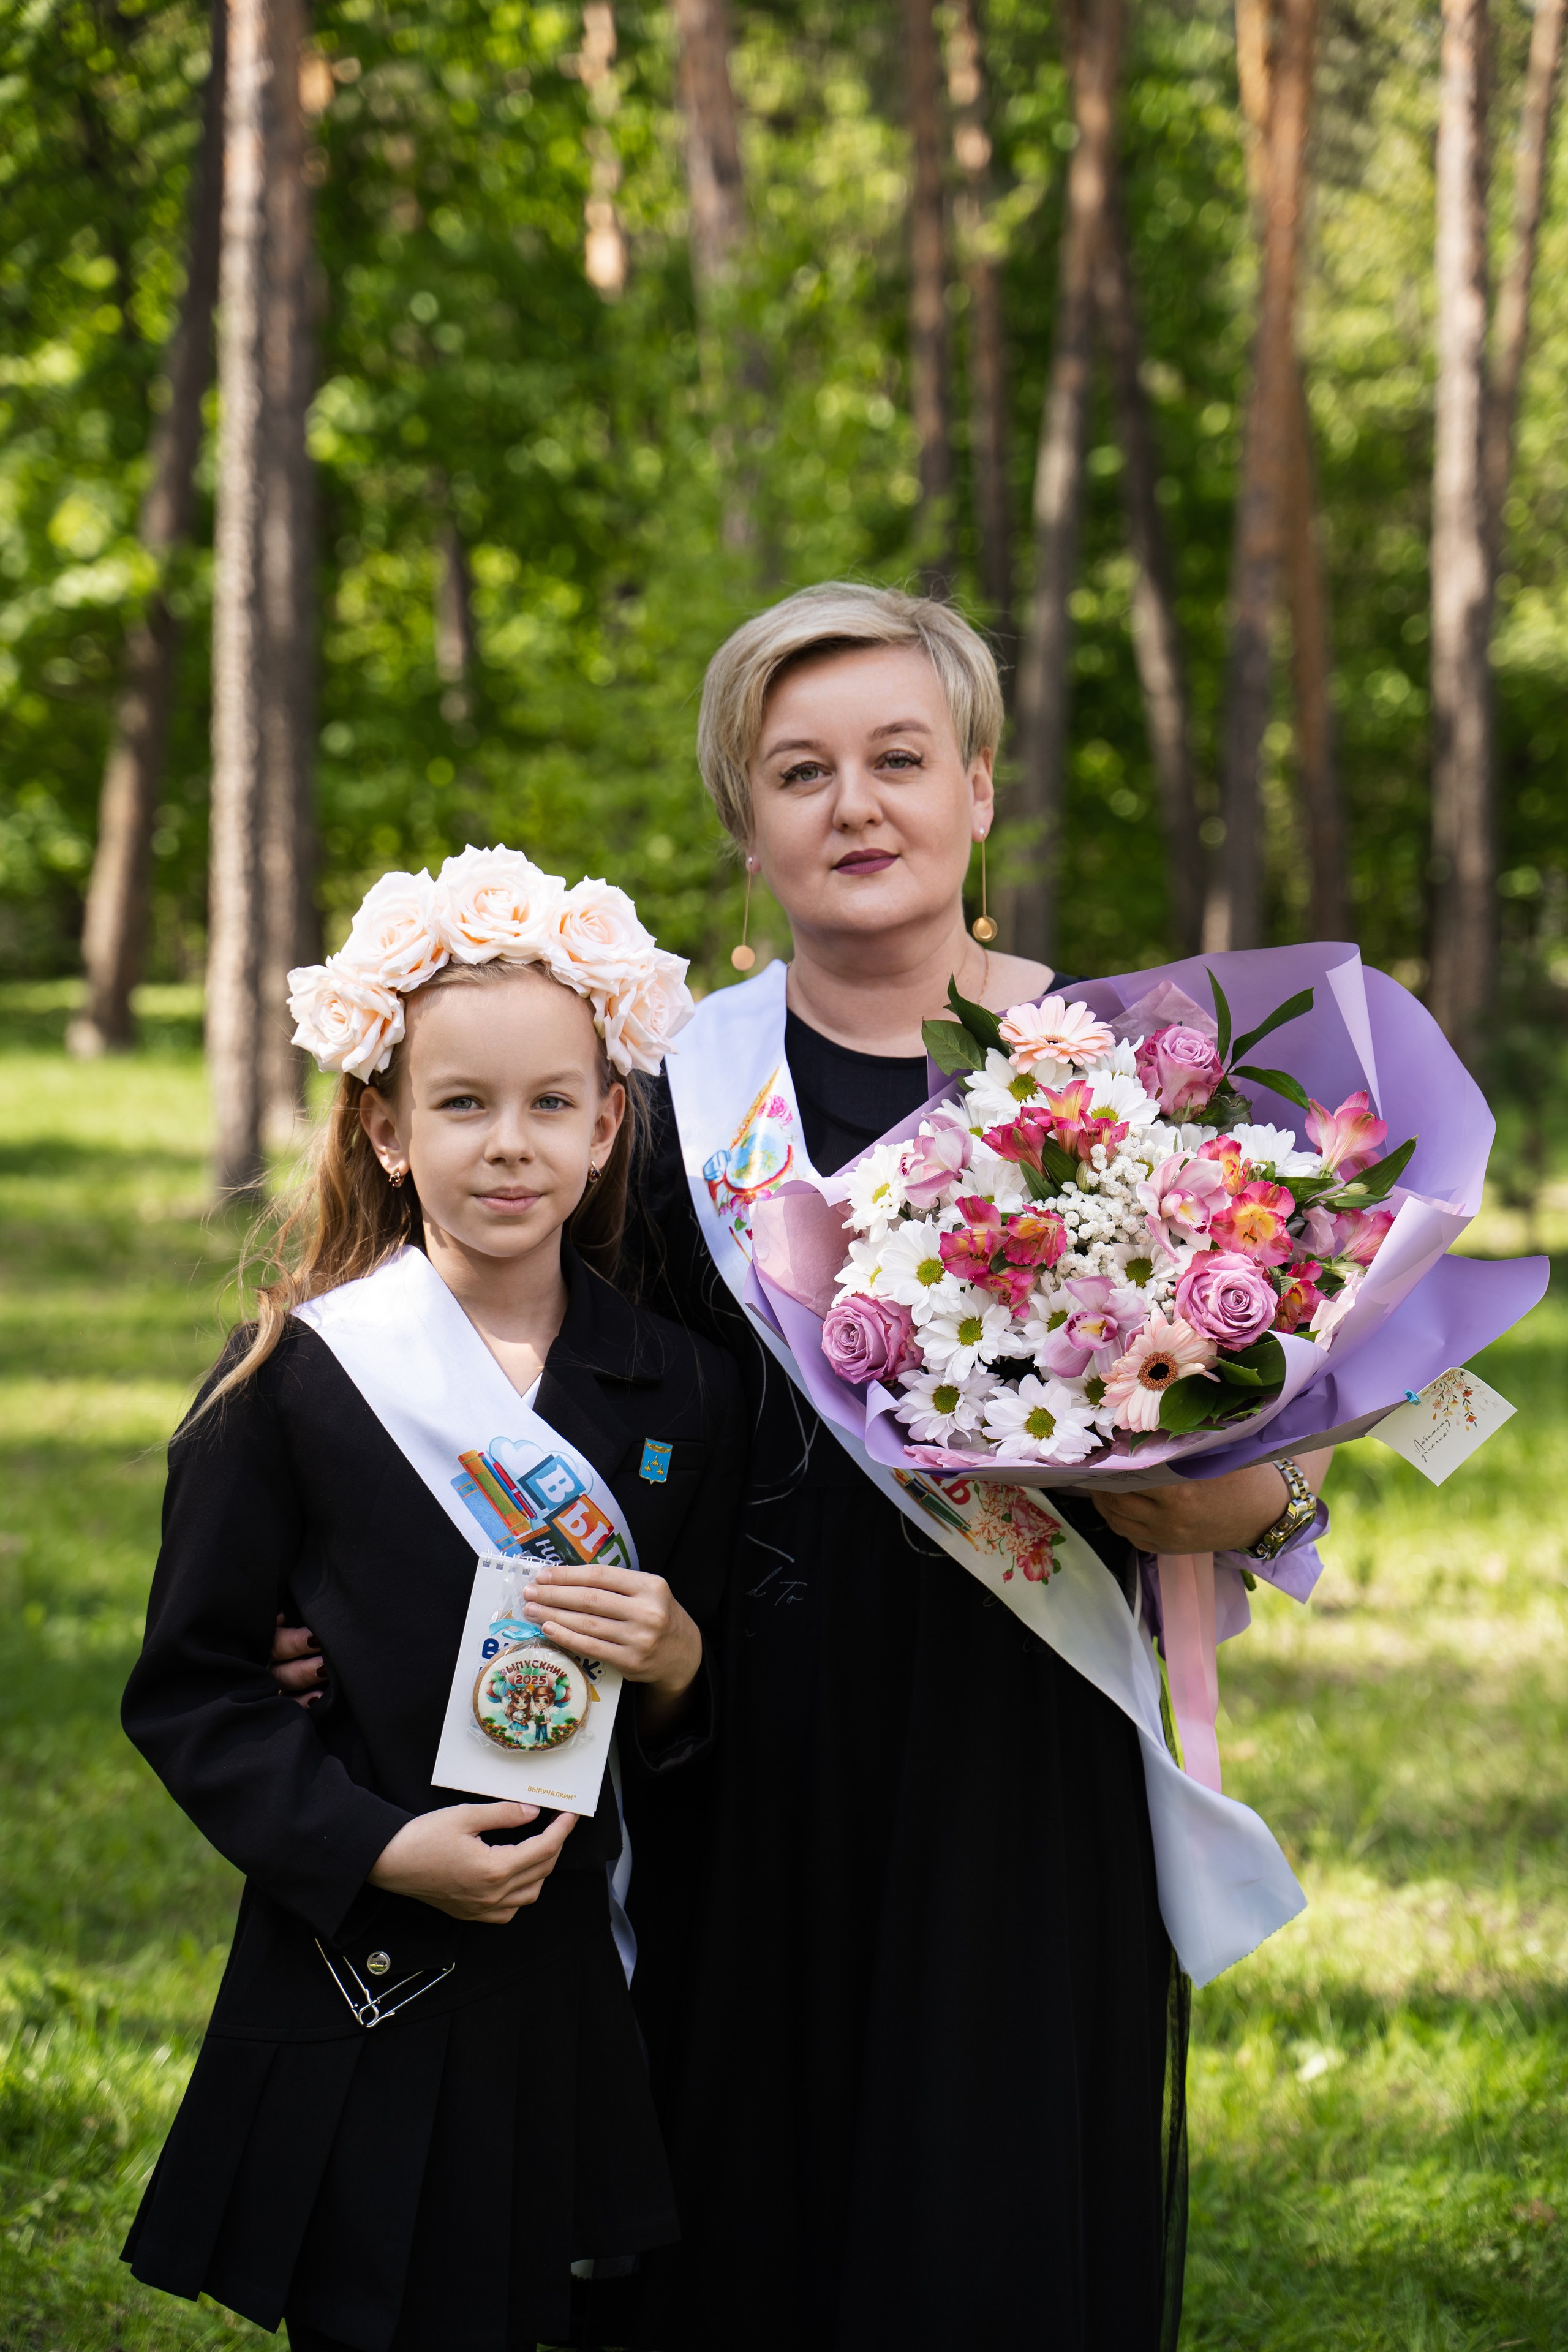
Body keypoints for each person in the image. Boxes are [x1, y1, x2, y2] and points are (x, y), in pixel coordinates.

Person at [616, 584, 1333, 2351]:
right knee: (751, 2217)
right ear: (749, 823)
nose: (855, 804)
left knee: (995, 2219)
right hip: (747, 1748)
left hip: (1027, 1746)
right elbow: (559, 1396)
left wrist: (1256, 1505)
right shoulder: (672, 1104)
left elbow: (1284, 1444)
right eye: (800, 771)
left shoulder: (1143, 1086)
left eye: (899, 758)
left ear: (982, 791)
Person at [121, 851, 742, 2352]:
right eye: (461, 1106)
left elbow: (715, 1707)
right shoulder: (292, 1375)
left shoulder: (682, 1389)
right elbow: (192, 1689)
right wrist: (377, 1844)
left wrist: (675, 1659)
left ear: (607, 1127)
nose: (507, 1147)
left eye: (548, 1106)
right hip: (366, 1973)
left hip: (583, 1977)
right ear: (387, 1131)